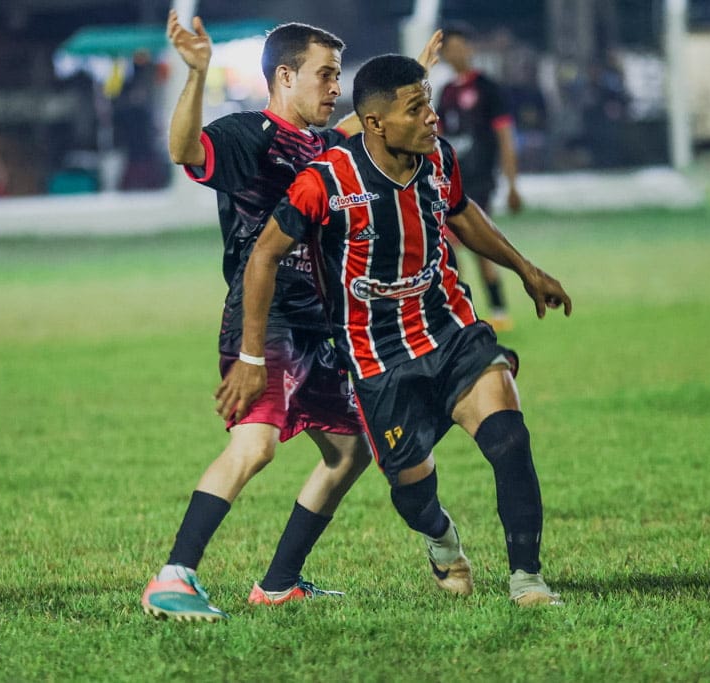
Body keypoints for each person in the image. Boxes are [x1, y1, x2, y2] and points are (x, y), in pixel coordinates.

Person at [217, 55, 571, 607]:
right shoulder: (326, 180)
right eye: (417, 108)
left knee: (510, 440)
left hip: (451, 329)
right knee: (413, 497)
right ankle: (441, 537)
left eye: (430, 103)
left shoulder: (437, 159)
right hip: (377, 359)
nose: (433, 117)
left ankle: (527, 580)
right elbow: (264, 256)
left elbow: (461, 212)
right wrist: (252, 356)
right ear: (376, 123)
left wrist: (527, 271)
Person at [141, 12, 441, 622]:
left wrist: (411, 83)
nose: (336, 86)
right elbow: (183, 150)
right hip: (265, 318)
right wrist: (196, 74)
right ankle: (172, 577)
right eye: (325, 74)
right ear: (284, 77)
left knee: (352, 450)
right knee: (255, 446)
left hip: (320, 324)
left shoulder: (327, 147)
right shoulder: (249, 135)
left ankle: (279, 583)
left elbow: (366, 121)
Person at [437, 26, 523, 332]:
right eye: (451, 47)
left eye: (462, 45)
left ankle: (499, 310)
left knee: (479, 246)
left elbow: (504, 137)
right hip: (451, 183)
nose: (457, 52)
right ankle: (461, 313)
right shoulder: (445, 93)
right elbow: (438, 140)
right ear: (444, 54)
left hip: (481, 181)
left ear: (471, 49)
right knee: (447, 248)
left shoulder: (489, 89)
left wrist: (513, 184)